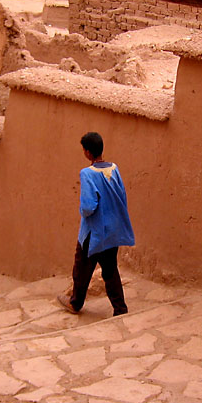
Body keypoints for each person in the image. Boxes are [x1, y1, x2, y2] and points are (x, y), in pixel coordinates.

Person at [58, 132, 135, 317]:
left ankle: (75, 303)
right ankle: (120, 308)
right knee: (110, 269)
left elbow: (88, 206)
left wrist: (84, 213)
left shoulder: (87, 174)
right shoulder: (114, 169)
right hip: (112, 229)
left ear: (87, 152)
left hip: (94, 231)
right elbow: (122, 194)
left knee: (82, 267)